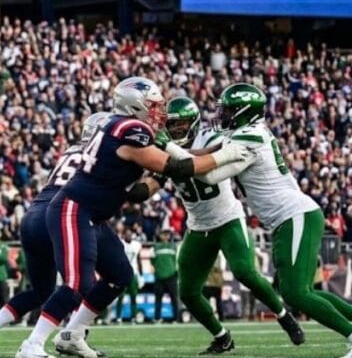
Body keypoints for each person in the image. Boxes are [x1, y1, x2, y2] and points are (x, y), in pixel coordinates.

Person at [15, 77, 253, 358]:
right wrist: (226, 155)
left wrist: (215, 151)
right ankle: (31, 345)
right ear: (134, 106)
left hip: (93, 215)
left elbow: (164, 171)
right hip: (75, 208)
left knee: (119, 274)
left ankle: (72, 335)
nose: (159, 112)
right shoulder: (131, 130)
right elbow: (180, 166)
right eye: (153, 106)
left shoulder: (122, 126)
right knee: (79, 283)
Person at [194, 84, 352, 357]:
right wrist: (173, 152)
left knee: (296, 293)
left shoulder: (249, 135)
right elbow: (206, 157)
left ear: (244, 111)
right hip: (289, 217)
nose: (223, 114)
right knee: (298, 291)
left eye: (229, 110)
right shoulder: (247, 132)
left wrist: (167, 153)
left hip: (294, 214)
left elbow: (209, 175)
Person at [164, 95, 302, 352]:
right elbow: (152, 182)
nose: (176, 131)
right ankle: (222, 336)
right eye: (171, 126)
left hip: (228, 218)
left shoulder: (210, 137)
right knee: (188, 292)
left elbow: (197, 159)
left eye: (181, 125)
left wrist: (168, 150)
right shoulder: (164, 149)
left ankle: (285, 316)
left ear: (193, 123)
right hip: (198, 226)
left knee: (244, 272)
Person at [0, 113, 112, 358]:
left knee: (42, 291)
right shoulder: (100, 154)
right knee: (80, 281)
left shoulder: (70, 150)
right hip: (60, 216)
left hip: (33, 214)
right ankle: (55, 340)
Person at [114, 227, 142, 323]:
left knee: (133, 296)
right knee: (120, 296)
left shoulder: (136, 245)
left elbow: (138, 259)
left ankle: (133, 317)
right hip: (122, 273)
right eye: (127, 234)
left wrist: (141, 275)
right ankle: (118, 317)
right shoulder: (120, 244)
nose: (128, 236)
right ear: (123, 235)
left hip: (133, 273)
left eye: (130, 234)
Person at [151, 230, 180, 323]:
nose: (165, 236)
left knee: (174, 298)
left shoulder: (174, 247)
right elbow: (152, 261)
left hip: (172, 276)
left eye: (167, 234)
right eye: (163, 234)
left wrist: (176, 273)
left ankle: (176, 318)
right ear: (159, 235)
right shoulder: (155, 247)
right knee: (158, 298)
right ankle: (157, 318)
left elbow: (177, 261)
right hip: (159, 276)